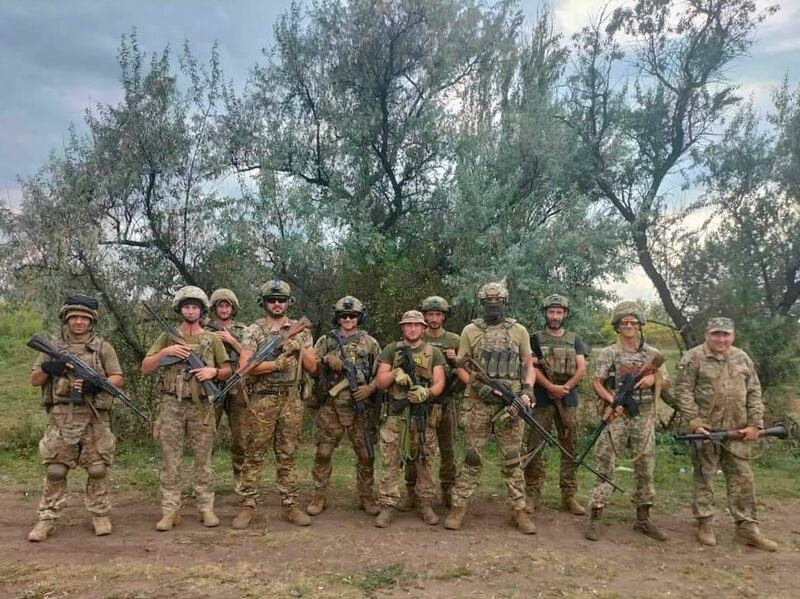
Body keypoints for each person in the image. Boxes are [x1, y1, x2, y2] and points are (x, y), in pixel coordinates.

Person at [675, 317, 778, 551]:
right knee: (705, 476)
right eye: (716, 334)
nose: (721, 339)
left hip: (738, 431)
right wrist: (694, 422)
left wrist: (755, 424)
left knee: (743, 478)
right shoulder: (693, 358)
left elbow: (754, 391)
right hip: (706, 431)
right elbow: (683, 392)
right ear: (707, 335)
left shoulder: (742, 358)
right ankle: (705, 522)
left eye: (726, 334)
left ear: (733, 336)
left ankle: (747, 528)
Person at [28, 295, 124, 541]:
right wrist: (50, 368)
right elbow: (35, 380)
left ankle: (100, 514)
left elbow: (117, 378)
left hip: (94, 416)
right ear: (66, 320)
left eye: (84, 318)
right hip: (61, 416)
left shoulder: (103, 347)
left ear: (91, 322)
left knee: (98, 468)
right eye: (74, 318)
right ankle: (47, 518)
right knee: (56, 469)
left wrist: (95, 384)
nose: (79, 322)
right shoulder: (53, 347)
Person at [443, 281, 537, 534]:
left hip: (511, 404)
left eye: (497, 300)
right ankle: (458, 507)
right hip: (478, 404)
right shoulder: (470, 331)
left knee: (512, 458)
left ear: (504, 301)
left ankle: (519, 510)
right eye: (488, 301)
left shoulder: (519, 331)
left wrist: (527, 389)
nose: (493, 305)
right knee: (472, 457)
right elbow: (462, 366)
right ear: (482, 303)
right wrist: (476, 385)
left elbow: (528, 364)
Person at [140, 286, 231, 531]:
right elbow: (145, 367)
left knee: (203, 461)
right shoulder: (167, 337)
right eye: (186, 306)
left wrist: (212, 372)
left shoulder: (211, 339)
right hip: (172, 404)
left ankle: (205, 508)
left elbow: (227, 370)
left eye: (195, 307)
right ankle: (170, 511)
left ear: (201, 311)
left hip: (201, 406)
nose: (190, 311)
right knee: (171, 460)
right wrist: (165, 352)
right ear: (180, 309)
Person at [231, 280, 317, 529]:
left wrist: (299, 348)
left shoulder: (301, 331)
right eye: (272, 300)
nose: (277, 304)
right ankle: (247, 505)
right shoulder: (254, 331)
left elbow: (313, 368)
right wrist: (277, 364)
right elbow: (245, 368)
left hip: (291, 398)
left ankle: (291, 504)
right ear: (264, 303)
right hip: (263, 399)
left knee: (287, 454)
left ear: (289, 302)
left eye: (281, 299)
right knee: (254, 454)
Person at [584, 301, 669, 542]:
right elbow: (596, 382)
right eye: (624, 323)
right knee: (605, 464)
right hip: (617, 416)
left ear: (640, 325)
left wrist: (653, 380)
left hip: (642, 415)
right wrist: (613, 401)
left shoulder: (651, 354)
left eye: (633, 322)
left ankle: (643, 519)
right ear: (617, 326)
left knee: (645, 466)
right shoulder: (609, 352)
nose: (629, 326)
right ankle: (596, 516)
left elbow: (667, 384)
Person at [306, 295, 382, 517]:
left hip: (360, 404)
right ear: (337, 318)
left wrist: (371, 388)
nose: (348, 319)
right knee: (323, 452)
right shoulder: (326, 341)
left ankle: (366, 497)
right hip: (331, 405)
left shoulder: (370, 343)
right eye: (343, 316)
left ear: (359, 318)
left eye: (353, 316)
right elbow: (311, 367)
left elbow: (380, 371)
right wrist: (326, 359)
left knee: (366, 454)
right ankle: (319, 496)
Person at [373, 310, 446, 528]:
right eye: (408, 325)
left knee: (425, 460)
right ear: (402, 328)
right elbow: (380, 382)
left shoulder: (433, 352)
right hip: (395, 417)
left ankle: (424, 504)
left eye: (416, 325)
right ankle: (388, 505)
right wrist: (395, 373)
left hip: (422, 415)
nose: (412, 328)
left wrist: (427, 393)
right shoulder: (390, 350)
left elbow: (440, 383)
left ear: (424, 328)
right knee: (390, 461)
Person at [524, 294, 587, 515]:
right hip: (541, 397)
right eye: (551, 312)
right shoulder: (534, 339)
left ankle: (569, 495)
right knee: (534, 445)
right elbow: (531, 368)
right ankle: (532, 492)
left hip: (568, 399)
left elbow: (581, 368)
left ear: (565, 314)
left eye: (559, 312)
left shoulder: (574, 339)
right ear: (545, 314)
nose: (555, 316)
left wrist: (565, 388)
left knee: (570, 446)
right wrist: (550, 387)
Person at [399, 295, 462, 511]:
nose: (434, 318)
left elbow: (466, 372)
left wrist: (456, 360)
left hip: (445, 403)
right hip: (419, 405)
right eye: (431, 314)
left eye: (438, 314)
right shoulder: (415, 337)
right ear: (424, 316)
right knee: (414, 449)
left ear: (444, 316)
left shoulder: (454, 339)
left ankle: (447, 491)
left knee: (448, 450)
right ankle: (411, 492)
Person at [206, 288, 247, 491]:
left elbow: (251, 354)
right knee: (207, 435)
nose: (224, 309)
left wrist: (232, 341)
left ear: (233, 308)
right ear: (214, 308)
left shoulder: (242, 329)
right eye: (220, 306)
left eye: (227, 305)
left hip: (237, 386)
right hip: (212, 385)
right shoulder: (205, 328)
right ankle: (206, 480)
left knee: (240, 436)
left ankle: (240, 477)